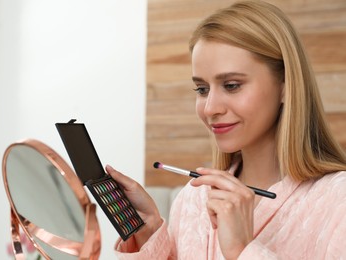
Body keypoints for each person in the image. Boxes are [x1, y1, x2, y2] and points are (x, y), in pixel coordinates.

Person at [106, 1, 346, 259]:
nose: (210, 108)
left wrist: (242, 250)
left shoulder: (337, 203)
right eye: (202, 89)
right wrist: (151, 235)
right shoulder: (193, 200)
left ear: (286, 86)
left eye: (231, 85)